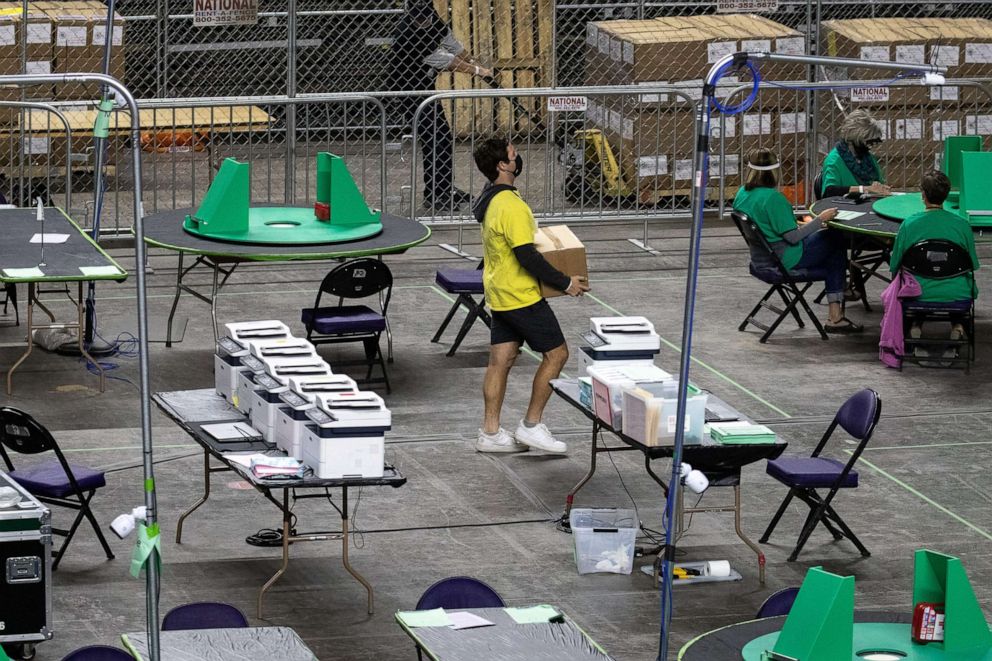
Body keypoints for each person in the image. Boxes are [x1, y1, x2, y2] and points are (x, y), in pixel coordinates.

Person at [471, 136, 590, 453]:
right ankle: (532, 425)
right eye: (512, 155)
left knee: (501, 361)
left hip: (497, 291)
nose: (518, 157)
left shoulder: (490, 199)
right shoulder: (511, 205)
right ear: (502, 165)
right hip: (521, 295)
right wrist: (565, 282)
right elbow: (528, 255)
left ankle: (490, 433)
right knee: (557, 354)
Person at [733, 148, 863, 334]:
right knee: (835, 240)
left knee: (832, 253)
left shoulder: (742, 194)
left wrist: (807, 225)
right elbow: (793, 237)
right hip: (785, 258)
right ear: (774, 172)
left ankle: (838, 301)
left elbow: (774, 225)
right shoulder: (773, 199)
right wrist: (821, 220)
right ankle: (837, 308)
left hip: (761, 257)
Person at [385, 0, 494, 211]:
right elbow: (446, 60)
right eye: (419, 17)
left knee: (442, 135)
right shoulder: (406, 34)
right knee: (434, 137)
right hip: (409, 91)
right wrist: (478, 71)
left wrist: (474, 62)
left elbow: (453, 45)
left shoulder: (432, 18)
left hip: (426, 88)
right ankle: (435, 193)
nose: (423, 21)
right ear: (411, 14)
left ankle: (444, 188)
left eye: (426, 16)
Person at [889, 170, 979, 343]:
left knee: (921, 281)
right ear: (946, 195)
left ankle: (915, 325)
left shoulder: (908, 225)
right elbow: (973, 265)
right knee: (950, 282)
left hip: (917, 293)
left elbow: (894, 266)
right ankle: (958, 327)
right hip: (957, 293)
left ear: (923, 195)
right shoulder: (963, 225)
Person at [820, 109, 891, 199]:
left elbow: (877, 184)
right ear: (854, 139)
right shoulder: (834, 160)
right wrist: (864, 189)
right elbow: (829, 191)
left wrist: (880, 188)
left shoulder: (869, 158)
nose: (872, 146)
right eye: (868, 142)